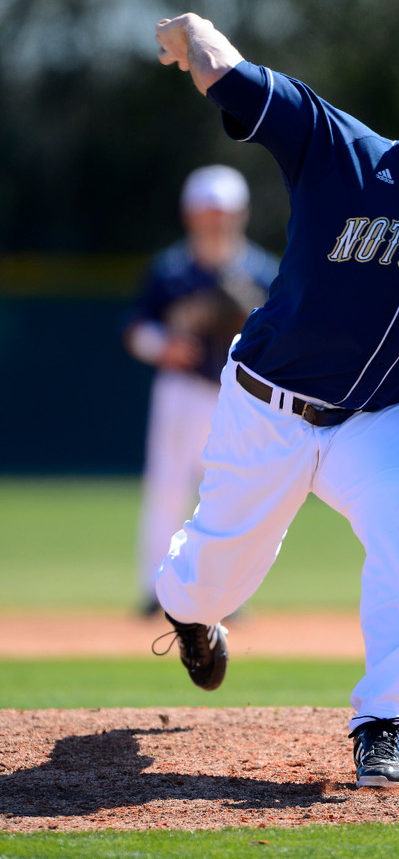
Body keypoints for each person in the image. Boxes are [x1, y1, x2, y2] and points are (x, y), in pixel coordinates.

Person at [152, 12, 399, 789]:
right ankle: (192, 619)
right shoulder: (344, 154)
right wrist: (190, 32)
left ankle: (382, 724)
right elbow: (232, 75)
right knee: (206, 581)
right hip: (268, 406)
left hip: (387, 421)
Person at [123, 164, 280, 616]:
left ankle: (223, 596)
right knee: (168, 490)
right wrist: (162, 346)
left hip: (240, 396)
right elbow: (134, 327)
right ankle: (156, 592)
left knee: (233, 495)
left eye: (224, 212)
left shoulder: (264, 272)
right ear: (190, 215)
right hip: (182, 390)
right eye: (208, 211)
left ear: (241, 214)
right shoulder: (171, 271)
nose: (217, 220)